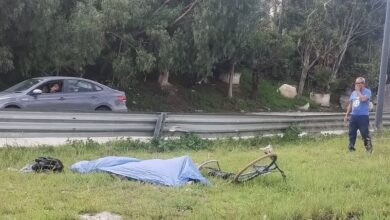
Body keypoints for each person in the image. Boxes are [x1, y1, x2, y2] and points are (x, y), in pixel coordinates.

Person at [343, 77, 373, 153]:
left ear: (364, 84)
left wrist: (358, 91)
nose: (358, 85)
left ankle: (369, 149)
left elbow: (363, 99)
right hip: (354, 116)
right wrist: (346, 115)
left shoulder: (367, 92)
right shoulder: (353, 93)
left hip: (363, 116)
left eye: (360, 83)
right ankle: (351, 148)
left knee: (364, 133)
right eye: (357, 83)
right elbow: (350, 104)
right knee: (351, 132)